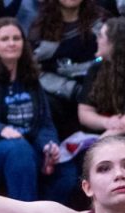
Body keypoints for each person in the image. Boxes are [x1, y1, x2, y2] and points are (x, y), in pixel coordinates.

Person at [0, 18, 77, 204]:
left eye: (16, 38)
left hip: (28, 145)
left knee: (66, 169)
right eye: (5, 39)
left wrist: (48, 144)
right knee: (19, 151)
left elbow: (44, 123)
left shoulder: (29, 76)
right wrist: (0, 130)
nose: (11, 43)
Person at [29, 0, 107, 134]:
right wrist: (72, 90)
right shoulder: (40, 28)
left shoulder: (102, 23)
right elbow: (36, 71)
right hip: (60, 98)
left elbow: (116, 59)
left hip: (100, 94)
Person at [76, 17, 125, 139]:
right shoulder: (96, 68)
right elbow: (84, 113)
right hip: (105, 131)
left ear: (115, 43)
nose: (97, 40)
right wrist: (106, 122)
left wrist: (102, 141)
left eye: (101, 36)